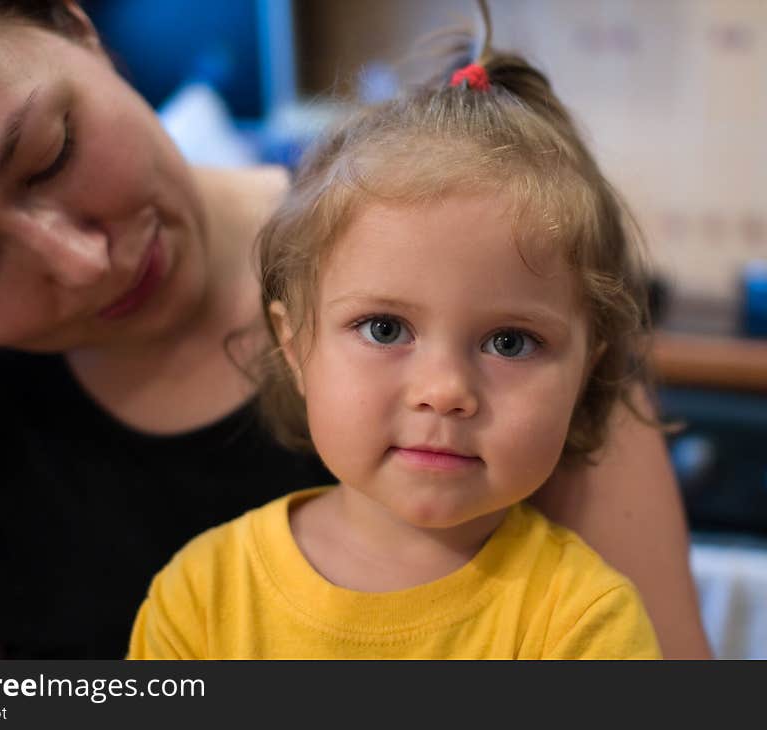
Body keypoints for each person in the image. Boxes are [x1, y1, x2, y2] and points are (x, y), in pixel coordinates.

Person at [0, 0, 709, 659]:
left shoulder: (515, 264)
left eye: (51, 152)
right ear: (292, 342)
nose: (82, 262)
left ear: (78, 29)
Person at [126, 23, 665, 659]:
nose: (445, 392)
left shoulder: (586, 626)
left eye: (511, 343)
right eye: (385, 329)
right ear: (295, 346)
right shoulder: (201, 599)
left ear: (584, 373)